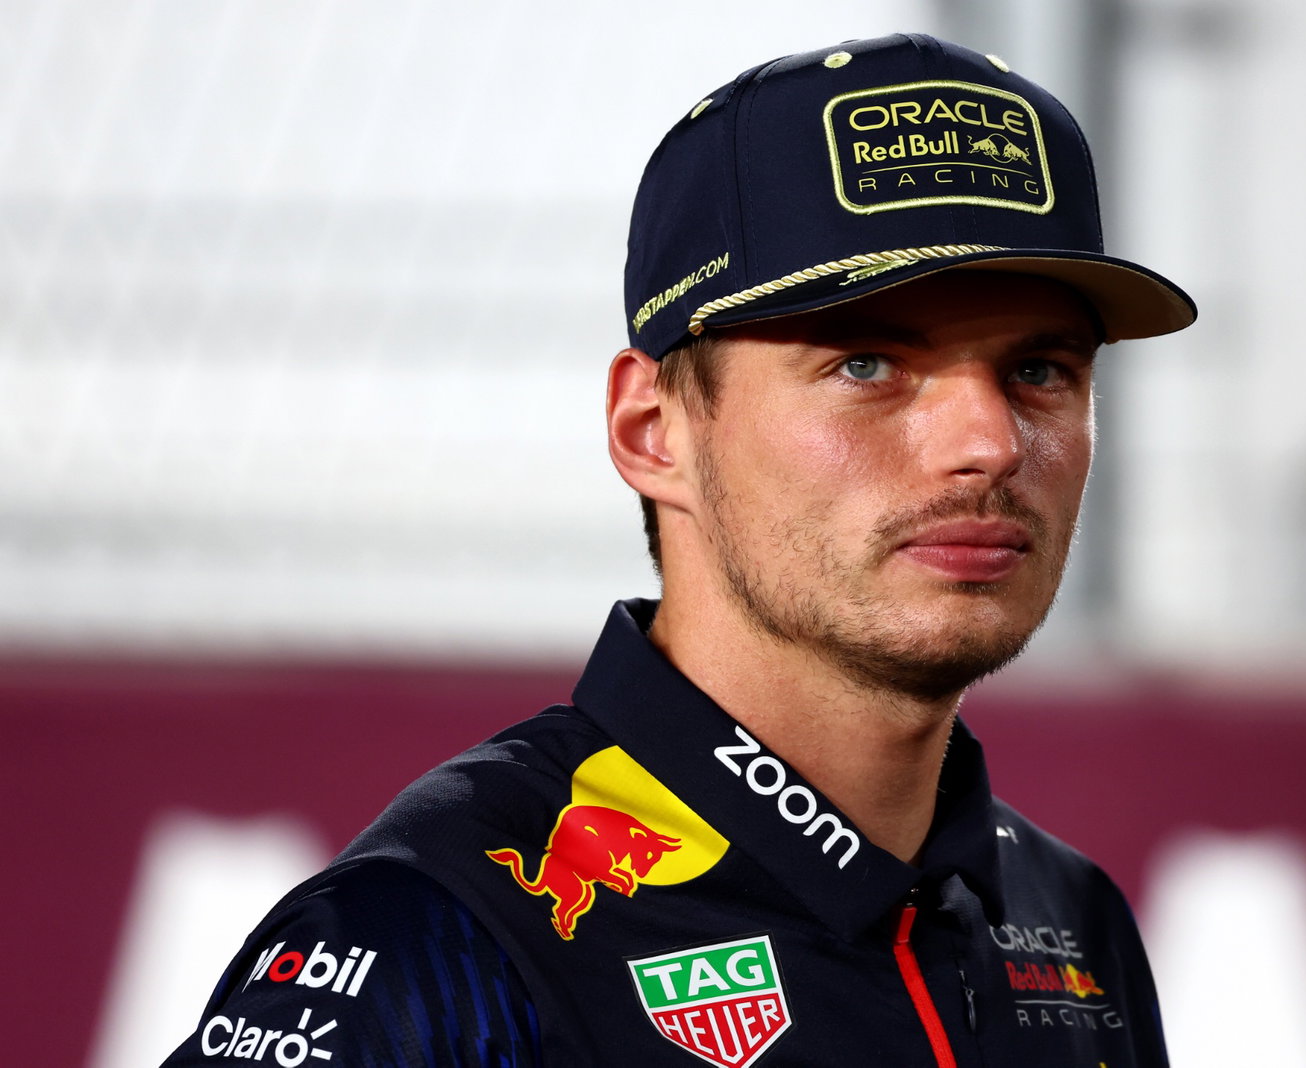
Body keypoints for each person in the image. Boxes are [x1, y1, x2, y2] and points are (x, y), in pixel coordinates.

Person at [163, 32, 1194, 1067]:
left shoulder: (1071, 932)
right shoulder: (436, 934)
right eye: (867, 361)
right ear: (652, 431)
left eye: (1041, 370)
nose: (987, 443)